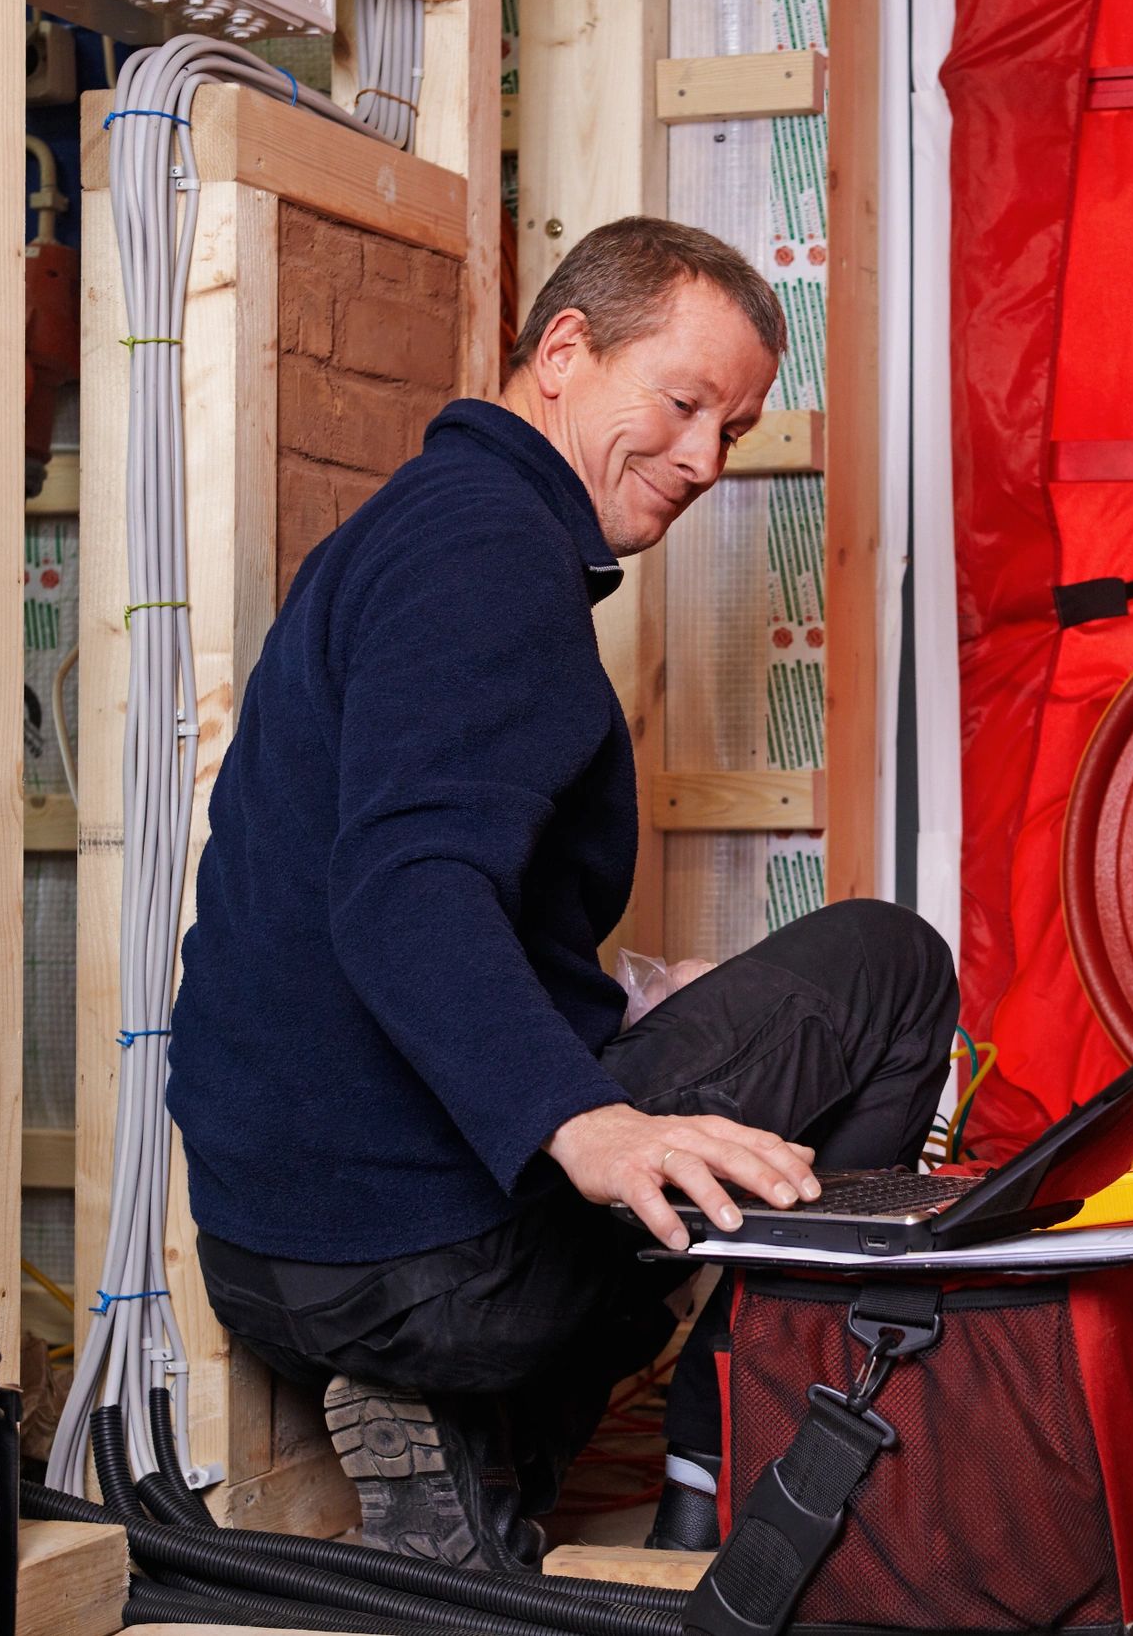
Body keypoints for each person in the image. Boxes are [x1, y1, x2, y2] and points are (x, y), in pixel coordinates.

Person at [165, 217, 957, 1569]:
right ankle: (736, 1446)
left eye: (738, 428)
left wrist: (645, 1001)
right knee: (891, 964)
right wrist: (590, 1121)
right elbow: (408, 886)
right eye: (685, 401)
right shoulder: (490, 555)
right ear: (567, 350)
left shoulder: (422, 533)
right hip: (431, 1267)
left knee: (690, 1037)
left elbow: (436, 885)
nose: (707, 458)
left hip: (274, 1255)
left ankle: (482, 1446)